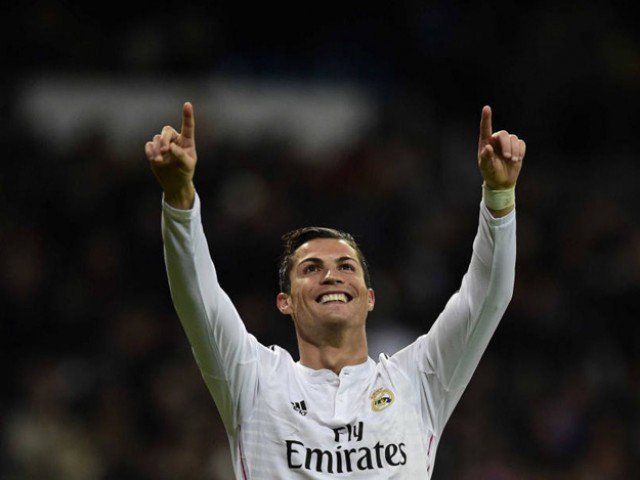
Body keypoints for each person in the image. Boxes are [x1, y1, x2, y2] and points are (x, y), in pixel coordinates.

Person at [144, 102, 525, 478]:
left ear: (370, 297)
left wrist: (499, 195)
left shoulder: (417, 380)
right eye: (311, 268)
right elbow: (198, 299)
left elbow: (486, 298)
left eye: (346, 267)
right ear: (285, 302)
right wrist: (179, 200)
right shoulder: (255, 381)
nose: (331, 276)